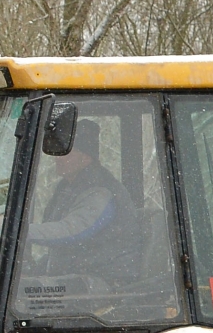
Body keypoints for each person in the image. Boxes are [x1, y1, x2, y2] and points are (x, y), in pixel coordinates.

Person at [25, 120, 143, 280]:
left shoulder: (100, 190)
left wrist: (19, 231)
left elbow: (72, 232)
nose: (58, 158)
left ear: (86, 156)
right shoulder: (68, 187)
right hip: (81, 272)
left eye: (66, 152)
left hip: (106, 279)